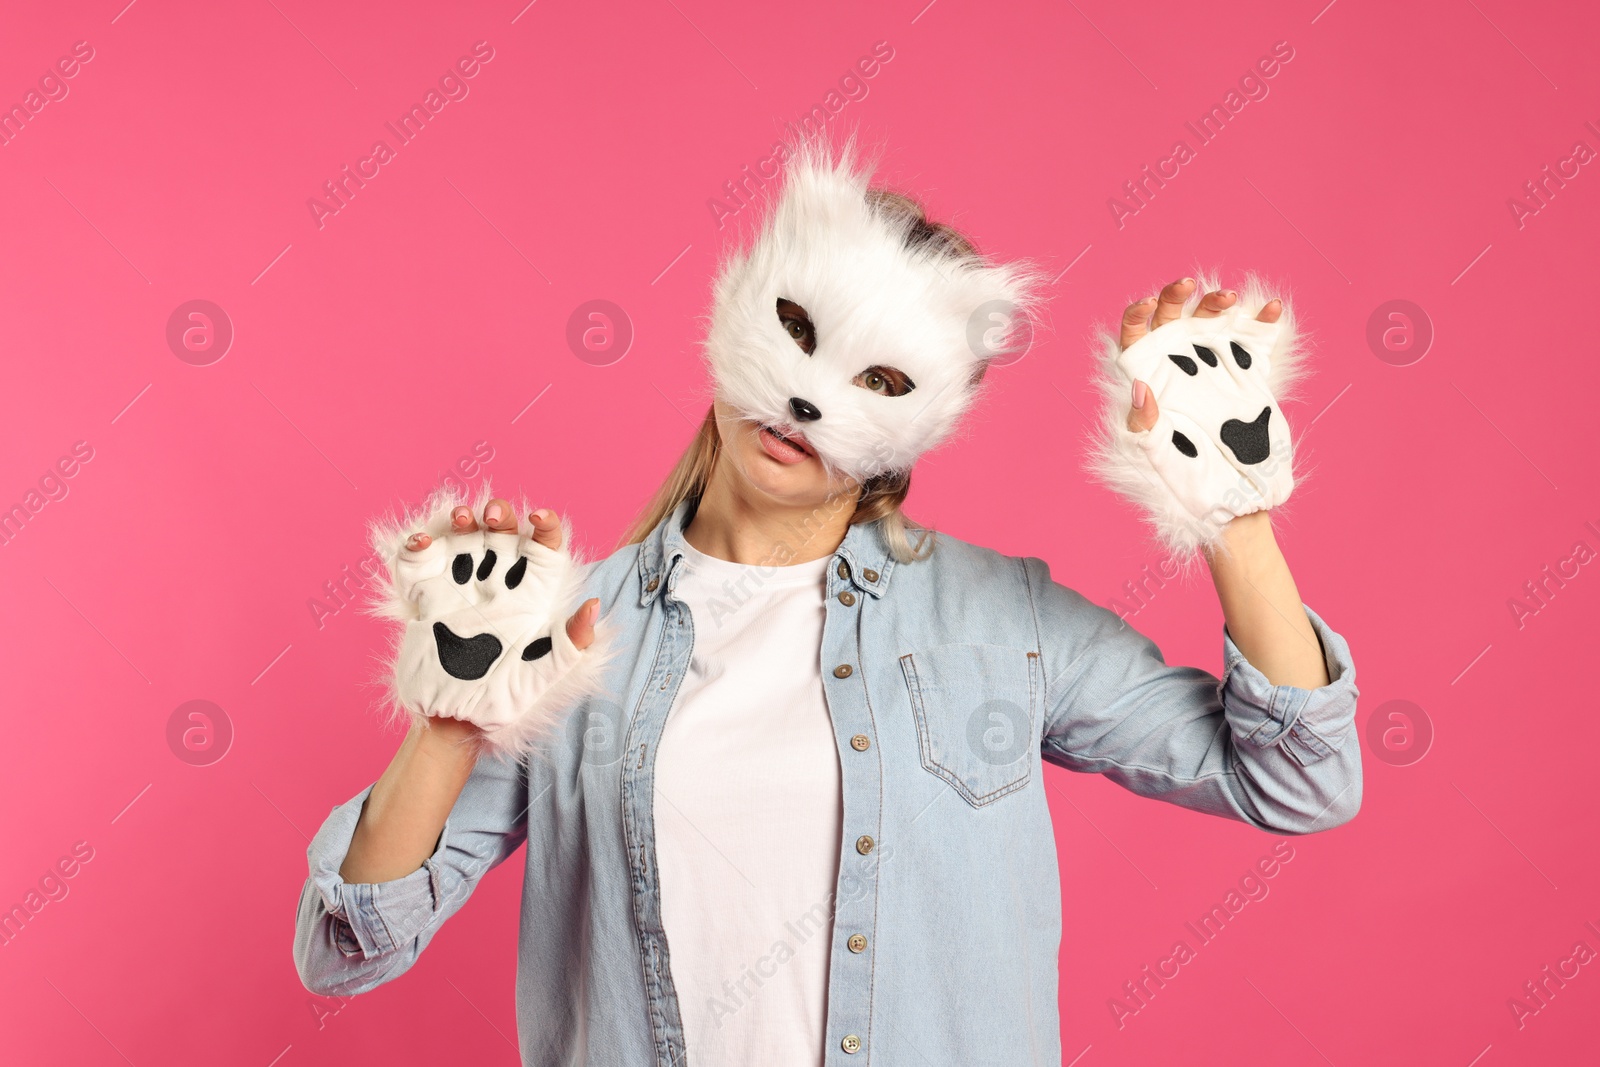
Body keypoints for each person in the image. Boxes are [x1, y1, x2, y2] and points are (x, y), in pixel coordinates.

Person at [293, 138, 1360, 1066]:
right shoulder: (568, 632)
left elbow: (1300, 780)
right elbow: (345, 946)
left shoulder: (1002, 623)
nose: (809, 399)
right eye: (795, 325)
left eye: (880, 380)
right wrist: (454, 709)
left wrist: (1228, 503)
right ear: (733, 307)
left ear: (932, 414)